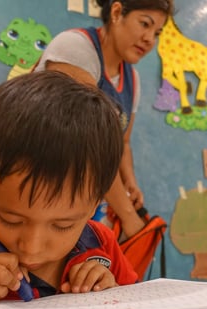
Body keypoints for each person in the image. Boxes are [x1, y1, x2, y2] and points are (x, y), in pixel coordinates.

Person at [0, 71, 138, 304]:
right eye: (11, 220)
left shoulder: (101, 244)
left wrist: (112, 293)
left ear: (94, 205)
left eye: (63, 225)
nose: (32, 247)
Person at [34, 0, 175, 239]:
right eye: (145, 24)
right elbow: (86, 147)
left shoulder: (133, 79)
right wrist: (130, 218)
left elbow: (122, 143)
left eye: (157, 33)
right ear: (117, 12)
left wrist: (130, 183)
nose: (150, 39)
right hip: (34, 188)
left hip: (73, 199)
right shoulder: (75, 48)